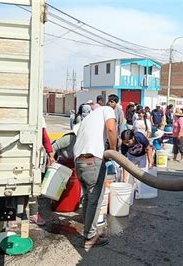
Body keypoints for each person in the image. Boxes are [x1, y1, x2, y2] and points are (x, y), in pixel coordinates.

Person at [73, 94, 119, 250]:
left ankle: (88, 230)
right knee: (94, 199)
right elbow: (111, 128)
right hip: (92, 161)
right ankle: (90, 236)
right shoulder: (108, 110)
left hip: (79, 161)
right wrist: (114, 151)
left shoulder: (90, 117)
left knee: (87, 198)